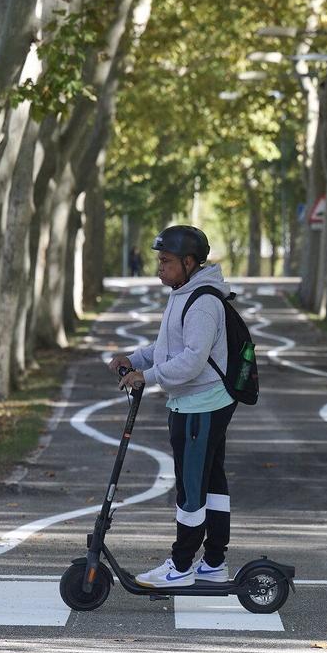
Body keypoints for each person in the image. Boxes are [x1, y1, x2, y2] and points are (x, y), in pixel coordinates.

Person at [109, 225, 237, 588]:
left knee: (191, 487)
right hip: (197, 402)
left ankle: (181, 566)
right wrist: (132, 358)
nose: (159, 268)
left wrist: (144, 378)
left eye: (166, 261)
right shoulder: (184, 293)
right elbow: (168, 348)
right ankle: (213, 562)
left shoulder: (203, 302)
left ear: (189, 262)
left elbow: (192, 360)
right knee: (211, 481)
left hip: (201, 405)